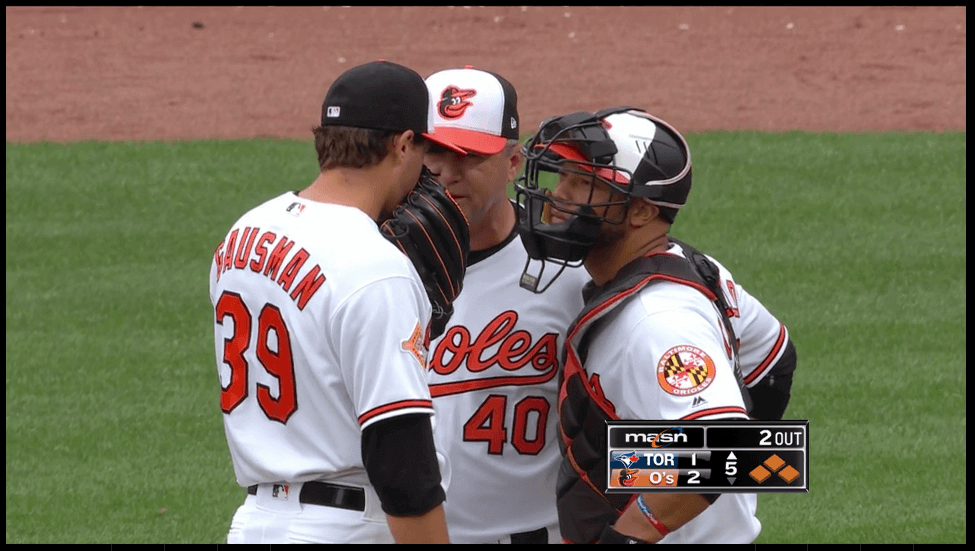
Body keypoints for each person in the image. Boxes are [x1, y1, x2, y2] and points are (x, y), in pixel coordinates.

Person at [209, 60, 467, 544]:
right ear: (404, 143)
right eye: (424, 151)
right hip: (346, 526)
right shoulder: (376, 266)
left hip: (255, 522)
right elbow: (402, 459)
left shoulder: (243, 233)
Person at [514, 107, 798, 544]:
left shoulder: (659, 321)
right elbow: (773, 360)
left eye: (584, 183)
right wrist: (646, 461)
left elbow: (728, 446)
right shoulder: (694, 266)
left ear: (642, 212)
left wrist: (632, 533)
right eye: (564, 175)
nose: (558, 197)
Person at [420, 66, 592, 543]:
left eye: (469, 155)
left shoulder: (572, 274)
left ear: (514, 162)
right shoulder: (375, 268)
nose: (446, 173)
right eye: (433, 151)